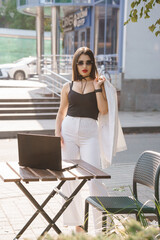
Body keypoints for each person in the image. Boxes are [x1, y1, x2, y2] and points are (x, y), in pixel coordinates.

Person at [55, 47, 126, 232]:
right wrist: (57, 133)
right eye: (81, 62)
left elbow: (103, 110)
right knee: (69, 179)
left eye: (88, 62)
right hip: (68, 132)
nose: (84, 66)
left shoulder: (99, 84)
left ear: (93, 64)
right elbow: (61, 111)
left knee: (94, 179)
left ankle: (104, 227)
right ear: (75, 65)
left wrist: (97, 88)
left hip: (90, 134)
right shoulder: (67, 86)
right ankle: (78, 226)